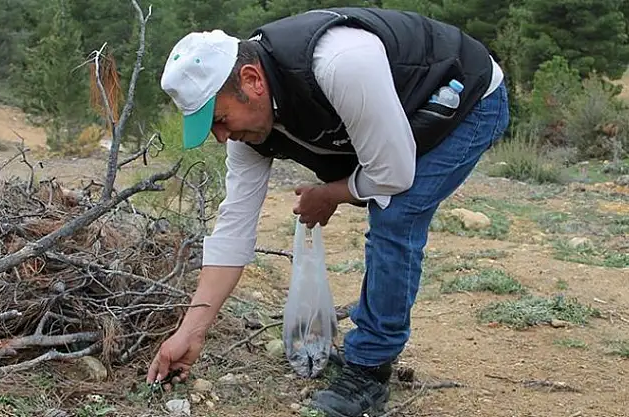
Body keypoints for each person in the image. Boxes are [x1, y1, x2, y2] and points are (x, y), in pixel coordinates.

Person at [147, 6, 509, 417]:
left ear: (252, 80)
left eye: (220, 120)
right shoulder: (247, 131)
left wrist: (331, 194)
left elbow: (393, 174)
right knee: (387, 197)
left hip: (465, 98)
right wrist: (191, 332)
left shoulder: (340, 62)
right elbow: (233, 230)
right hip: (398, 117)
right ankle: (367, 350)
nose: (221, 136)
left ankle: (369, 369)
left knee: (396, 213)